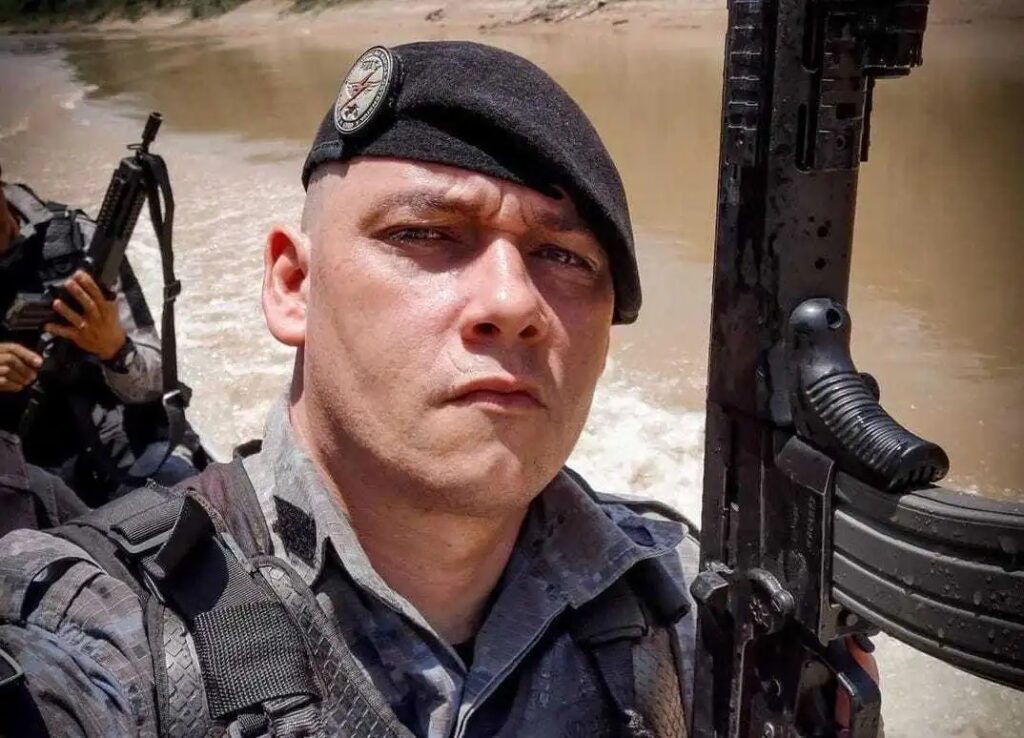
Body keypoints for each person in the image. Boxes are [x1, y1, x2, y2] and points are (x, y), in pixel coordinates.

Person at [0, 42, 873, 737]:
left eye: (563, 256)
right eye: (424, 233)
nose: (513, 303)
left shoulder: (700, 612)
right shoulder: (100, 628)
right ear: (293, 286)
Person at [0, 164, 197, 507]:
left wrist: (116, 350)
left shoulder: (79, 241)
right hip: (26, 470)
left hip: (124, 446)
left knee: (185, 502)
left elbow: (159, 378)